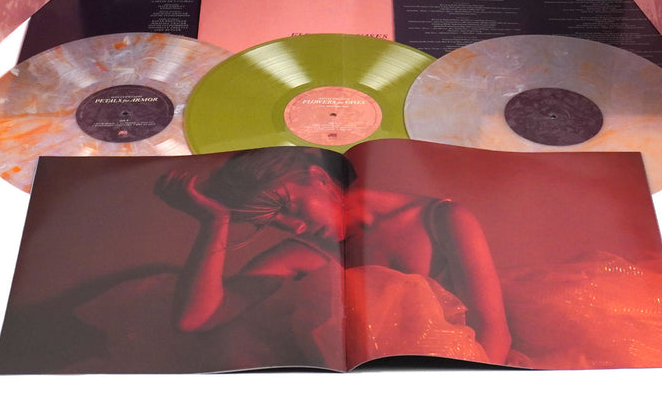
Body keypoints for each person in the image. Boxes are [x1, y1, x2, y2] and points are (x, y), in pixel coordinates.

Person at [154, 148, 511, 369]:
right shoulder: (303, 252)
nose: (294, 226)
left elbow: (492, 327)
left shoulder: (440, 219)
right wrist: (214, 222)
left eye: (288, 206)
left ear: (320, 177)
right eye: (272, 221)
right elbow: (195, 319)